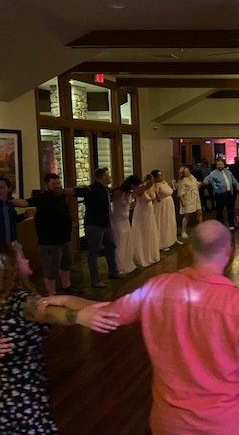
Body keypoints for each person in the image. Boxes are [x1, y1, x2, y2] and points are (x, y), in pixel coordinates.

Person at [82, 221, 239, 435]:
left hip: (169, 424)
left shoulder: (155, 288)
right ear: (229, 250)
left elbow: (106, 313)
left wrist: (64, 305)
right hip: (228, 424)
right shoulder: (238, 303)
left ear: (191, 248)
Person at [0, 243, 119, 434]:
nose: (27, 259)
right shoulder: (19, 301)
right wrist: (77, 317)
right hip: (19, 399)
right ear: (10, 266)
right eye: (21, 257)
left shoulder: (8, 297)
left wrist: (117, 308)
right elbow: (47, 314)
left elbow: (60, 303)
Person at [15, 174, 80, 295]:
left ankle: (67, 287)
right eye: (53, 183)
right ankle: (52, 294)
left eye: (58, 183)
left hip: (64, 239)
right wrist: (8, 202)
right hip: (50, 242)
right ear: (47, 185)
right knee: (51, 270)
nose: (57, 186)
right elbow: (25, 203)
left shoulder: (60, 196)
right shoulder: (43, 197)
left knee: (65, 265)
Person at [68, 168, 120, 288]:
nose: (109, 177)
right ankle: (95, 280)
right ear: (99, 177)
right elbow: (78, 191)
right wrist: (63, 191)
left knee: (110, 247)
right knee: (94, 252)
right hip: (94, 225)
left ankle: (113, 272)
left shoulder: (104, 189)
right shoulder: (92, 189)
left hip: (105, 224)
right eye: (107, 175)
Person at [110, 175, 140, 275]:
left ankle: (127, 262)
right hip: (118, 220)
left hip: (125, 220)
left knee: (127, 241)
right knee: (120, 243)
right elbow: (113, 204)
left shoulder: (129, 192)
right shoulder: (118, 192)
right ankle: (120, 265)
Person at [131, 174, 160, 267]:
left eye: (151, 182)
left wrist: (155, 191)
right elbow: (135, 195)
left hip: (149, 211)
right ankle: (142, 256)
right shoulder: (140, 188)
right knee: (141, 232)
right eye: (148, 182)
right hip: (141, 212)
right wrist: (144, 188)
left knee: (149, 231)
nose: (149, 184)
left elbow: (157, 199)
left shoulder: (153, 187)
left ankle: (151, 254)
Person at [204, 159, 239, 231]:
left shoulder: (228, 171)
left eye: (221, 164)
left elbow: (234, 180)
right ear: (216, 165)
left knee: (231, 210)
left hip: (229, 194)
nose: (220, 166)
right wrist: (205, 181)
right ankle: (221, 227)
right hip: (220, 195)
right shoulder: (213, 173)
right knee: (219, 211)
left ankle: (231, 226)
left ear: (224, 165)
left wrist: (237, 185)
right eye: (218, 164)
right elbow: (207, 179)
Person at [152, 170, 179, 251]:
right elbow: (156, 194)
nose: (161, 177)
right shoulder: (156, 185)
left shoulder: (164, 182)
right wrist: (157, 196)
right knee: (163, 223)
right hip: (162, 206)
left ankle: (173, 239)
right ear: (155, 177)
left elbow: (170, 190)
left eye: (161, 175)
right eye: (159, 176)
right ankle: (163, 243)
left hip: (169, 204)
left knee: (171, 221)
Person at [177, 166, 202, 239]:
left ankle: (200, 228)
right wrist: (182, 201)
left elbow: (195, 184)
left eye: (188, 171)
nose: (188, 172)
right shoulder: (182, 180)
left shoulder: (192, 177)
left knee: (199, 212)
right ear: (183, 173)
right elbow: (180, 192)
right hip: (188, 198)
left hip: (196, 197)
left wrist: (199, 184)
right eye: (185, 171)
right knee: (187, 215)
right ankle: (183, 231)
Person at [0, 177, 25, 249]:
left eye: (2, 187)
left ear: (9, 189)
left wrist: (25, 215)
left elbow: (11, 220)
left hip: (11, 243)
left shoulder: (10, 204)